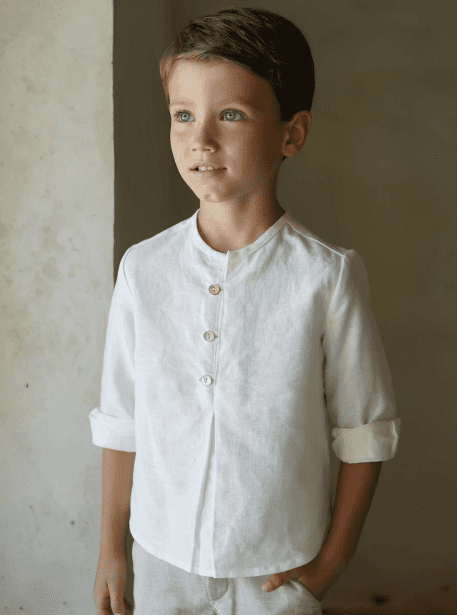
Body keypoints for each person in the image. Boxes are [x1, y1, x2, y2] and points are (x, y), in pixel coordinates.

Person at [91, 6, 401, 615]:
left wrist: (327, 567)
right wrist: (111, 551)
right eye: (183, 115)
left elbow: (366, 432)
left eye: (230, 114)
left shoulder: (326, 276)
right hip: (161, 562)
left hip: (276, 575)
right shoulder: (143, 269)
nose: (200, 140)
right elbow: (122, 419)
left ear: (292, 134)